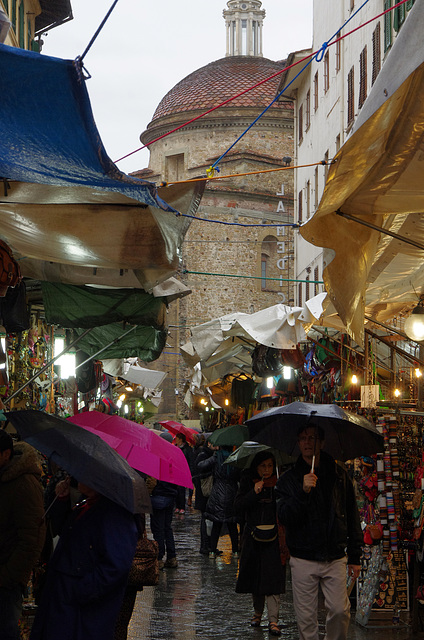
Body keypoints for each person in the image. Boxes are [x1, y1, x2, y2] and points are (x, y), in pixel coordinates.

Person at [276, 424, 363, 640]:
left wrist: (355, 556)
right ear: (298, 443)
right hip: (303, 555)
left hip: (333, 555)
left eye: (312, 438)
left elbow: (351, 515)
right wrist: (302, 492)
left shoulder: (339, 476)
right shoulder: (288, 479)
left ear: (322, 443)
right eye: (303, 438)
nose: (307, 442)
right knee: (306, 619)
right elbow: (285, 516)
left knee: (340, 611)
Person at [30, 477, 138, 640]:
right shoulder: (86, 504)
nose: (78, 477)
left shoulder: (116, 513)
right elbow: (61, 531)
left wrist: (82, 589)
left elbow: (117, 565)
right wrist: (61, 500)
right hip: (63, 602)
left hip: (83, 613)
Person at [0, 430, 46, 640]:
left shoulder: (24, 483)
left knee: (6, 629)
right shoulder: (4, 477)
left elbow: (32, 537)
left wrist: (9, 577)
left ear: (5, 454)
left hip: (7, 580)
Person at [235, 451, 286, 637]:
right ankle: (257, 613)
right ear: (256, 467)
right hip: (253, 537)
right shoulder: (248, 482)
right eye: (263, 466)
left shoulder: (280, 483)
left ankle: (273, 620)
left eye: (270, 466)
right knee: (256, 577)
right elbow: (238, 506)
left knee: (273, 579)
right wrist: (253, 492)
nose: (267, 470)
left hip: (274, 539)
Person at [198, 445, 240, 558]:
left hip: (218, 492)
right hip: (232, 492)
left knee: (217, 522)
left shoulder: (216, 457)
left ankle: (212, 551)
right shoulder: (236, 457)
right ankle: (235, 551)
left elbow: (201, 465)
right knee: (232, 524)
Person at [192, 434, 214, 555]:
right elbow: (197, 470)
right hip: (204, 493)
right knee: (205, 519)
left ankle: (209, 545)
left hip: (208, 492)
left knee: (209, 519)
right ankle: (205, 545)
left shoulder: (208, 455)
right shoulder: (203, 455)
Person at [149, 479, 178, 569]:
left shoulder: (155, 465)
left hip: (158, 497)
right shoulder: (173, 465)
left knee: (158, 529)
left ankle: (159, 558)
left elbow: (151, 482)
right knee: (167, 527)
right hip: (170, 497)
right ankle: (171, 557)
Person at [174, 434, 194, 513]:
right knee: (176, 490)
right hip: (176, 470)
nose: (175, 440)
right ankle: (177, 506)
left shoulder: (187, 449)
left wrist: (190, 472)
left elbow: (191, 461)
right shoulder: (175, 448)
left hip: (184, 471)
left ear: (181, 439)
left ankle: (182, 507)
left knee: (181, 490)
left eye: (177, 438)